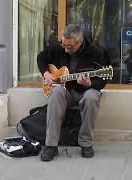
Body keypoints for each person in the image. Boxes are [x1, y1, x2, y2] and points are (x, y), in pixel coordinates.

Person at [37, 24, 111, 161]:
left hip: (85, 91)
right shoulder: (58, 47)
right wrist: (46, 74)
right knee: (56, 92)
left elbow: (102, 81)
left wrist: (90, 84)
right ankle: (51, 145)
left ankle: (86, 143)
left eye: (69, 47)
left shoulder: (96, 53)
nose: (65, 49)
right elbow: (41, 58)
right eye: (63, 44)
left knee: (92, 97)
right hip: (66, 92)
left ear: (80, 42)